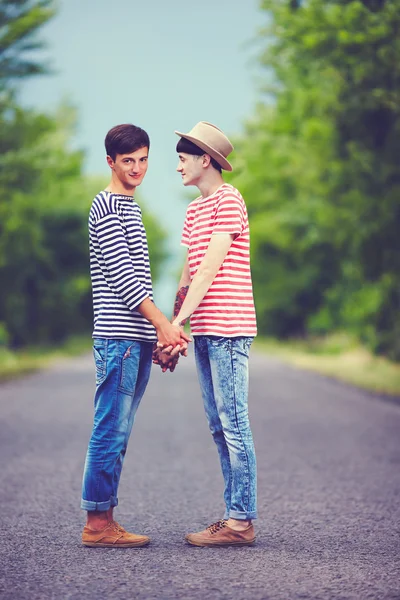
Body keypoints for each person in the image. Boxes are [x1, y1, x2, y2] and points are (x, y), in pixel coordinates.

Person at [81, 123, 189, 548]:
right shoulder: (107, 206)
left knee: (120, 430)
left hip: (134, 339)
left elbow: (138, 282)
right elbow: (124, 280)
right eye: (128, 161)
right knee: (110, 427)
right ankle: (97, 524)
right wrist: (164, 325)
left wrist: (156, 339)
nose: (137, 168)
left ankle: (105, 518)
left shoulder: (130, 207)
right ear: (110, 161)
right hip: (117, 339)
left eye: (143, 160)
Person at [154, 121, 258, 546]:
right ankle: (234, 515)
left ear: (205, 160)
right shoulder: (194, 210)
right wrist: (174, 331)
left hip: (230, 329)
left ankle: (241, 521)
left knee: (234, 424)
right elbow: (188, 274)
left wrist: (177, 325)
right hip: (204, 329)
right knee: (218, 425)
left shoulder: (229, 201)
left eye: (182, 159)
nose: (177, 167)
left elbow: (211, 270)